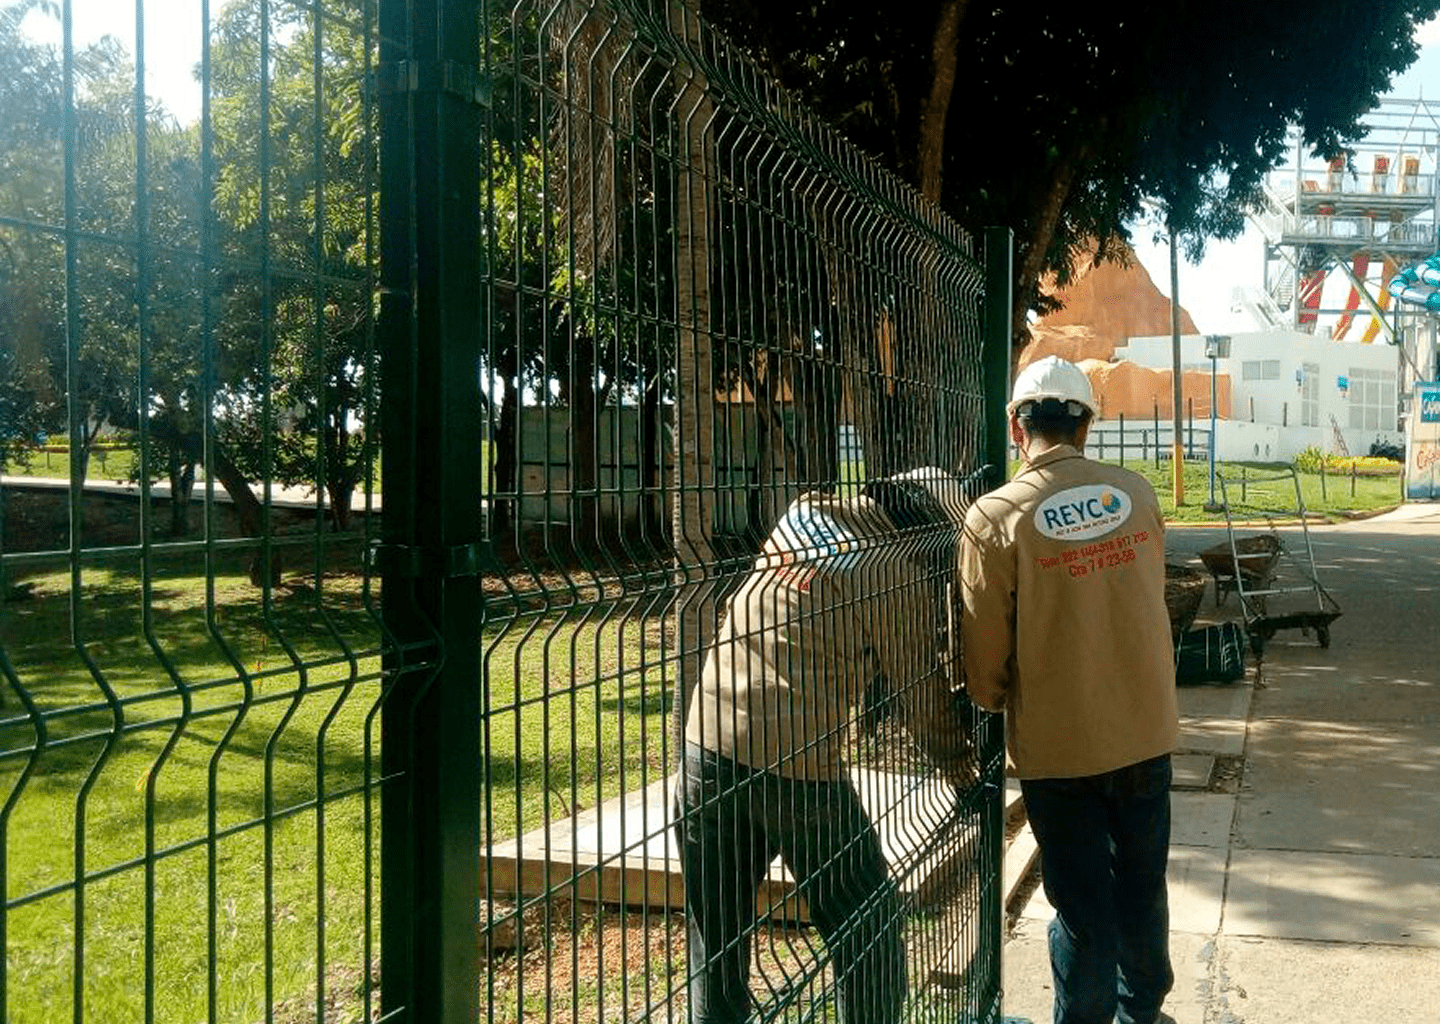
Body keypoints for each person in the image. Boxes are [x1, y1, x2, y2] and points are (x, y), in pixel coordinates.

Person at [675, 468, 976, 1024]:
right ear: (923, 530)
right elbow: (919, 692)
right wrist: (961, 771)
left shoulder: (802, 514)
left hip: (704, 745)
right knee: (867, 925)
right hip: (796, 764)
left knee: (716, 940)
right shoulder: (890, 571)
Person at [958, 357, 1179, 1024]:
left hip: (1060, 749)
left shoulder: (996, 517)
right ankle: (1141, 1009)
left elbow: (984, 653)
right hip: (1145, 733)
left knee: (1082, 908)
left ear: (1015, 426)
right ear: (1086, 425)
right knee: (1141, 887)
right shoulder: (1136, 494)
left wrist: (991, 699)